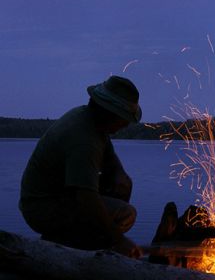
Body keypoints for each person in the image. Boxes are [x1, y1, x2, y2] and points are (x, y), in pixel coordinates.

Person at [19, 75, 143, 258]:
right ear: (110, 114)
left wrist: (119, 173)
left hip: (60, 194)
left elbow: (110, 158)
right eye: (123, 119)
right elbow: (86, 198)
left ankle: (82, 242)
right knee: (125, 214)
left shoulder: (92, 122)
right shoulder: (84, 140)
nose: (125, 125)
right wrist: (119, 240)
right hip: (42, 207)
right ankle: (76, 253)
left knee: (121, 184)